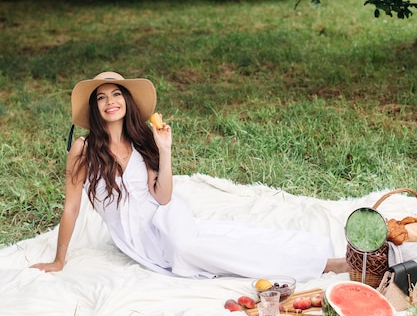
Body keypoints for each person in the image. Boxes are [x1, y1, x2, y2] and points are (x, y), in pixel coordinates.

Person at [31, 71, 349, 281]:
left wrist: (165, 150)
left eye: (116, 94)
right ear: (94, 107)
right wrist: (59, 260)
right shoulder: (83, 148)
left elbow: (164, 197)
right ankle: (320, 260)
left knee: (201, 245)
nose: (110, 101)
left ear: (127, 102)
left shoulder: (142, 141)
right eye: (101, 97)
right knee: (204, 246)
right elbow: (71, 207)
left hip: (167, 217)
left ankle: (325, 262)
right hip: (137, 240)